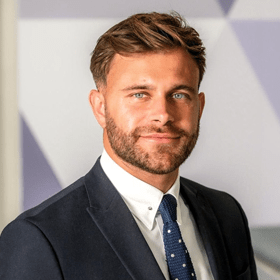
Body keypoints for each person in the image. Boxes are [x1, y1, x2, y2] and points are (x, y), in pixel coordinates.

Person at [0, 12, 258, 280]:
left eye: (179, 94)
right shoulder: (40, 239)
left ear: (199, 107)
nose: (163, 114)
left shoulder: (227, 214)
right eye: (139, 94)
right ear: (100, 108)